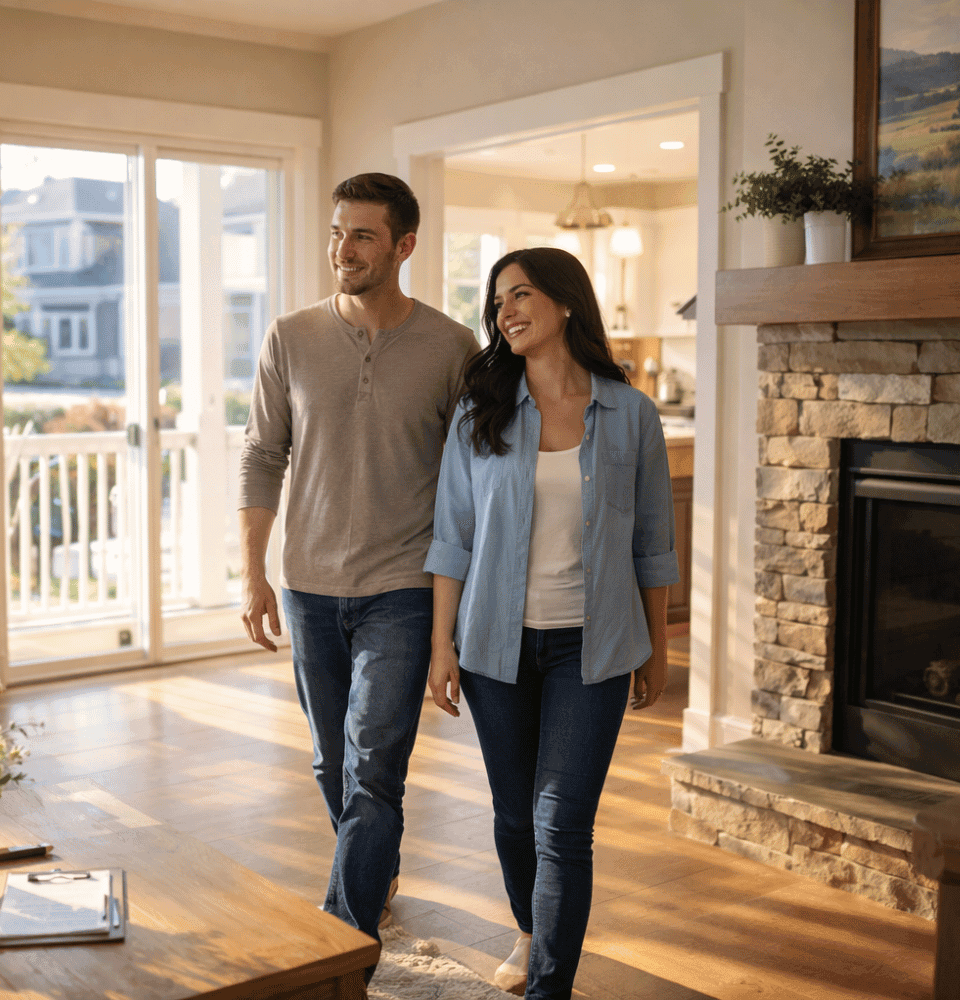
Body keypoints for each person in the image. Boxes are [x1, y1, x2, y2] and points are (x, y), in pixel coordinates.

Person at [424, 247, 677, 999]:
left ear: (566, 302)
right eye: (498, 300)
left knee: (562, 823)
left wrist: (657, 650)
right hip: (494, 646)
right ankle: (532, 932)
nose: (505, 311)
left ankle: (550, 987)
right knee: (512, 815)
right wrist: (442, 641)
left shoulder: (630, 414)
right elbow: (451, 535)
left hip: (591, 648)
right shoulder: (482, 411)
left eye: (521, 294)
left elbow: (654, 545)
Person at [237, 173, 477, 953]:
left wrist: (456, 609)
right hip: (308, 583)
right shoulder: (291, 336)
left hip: (403, 586)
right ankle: (376, 865)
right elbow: (261, 456)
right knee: (331, 761)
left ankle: (344, 938)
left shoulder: (451, 346)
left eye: (363, 235)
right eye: (338, 232)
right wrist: (253, 572)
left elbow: (472, 478)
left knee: (376, 765)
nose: (343, 248)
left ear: (404, 246)